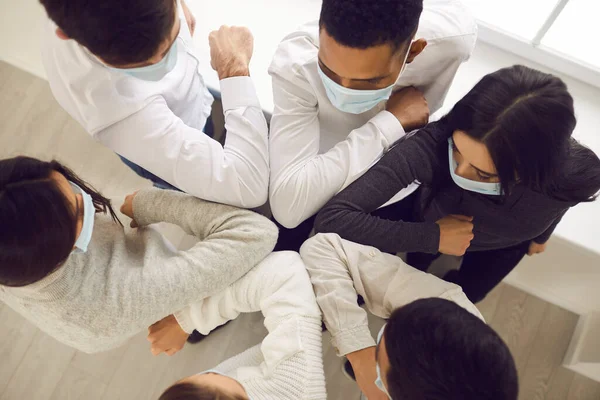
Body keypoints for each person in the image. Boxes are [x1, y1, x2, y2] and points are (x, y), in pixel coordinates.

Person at [314, 65, 600, 303]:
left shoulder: (580, 174)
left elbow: (565, 200)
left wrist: (543, 235)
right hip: (435, 223)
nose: (459, 172)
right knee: (415, 268)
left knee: (467, 296)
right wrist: (432, 238)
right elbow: (334, 218)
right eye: (456, 149)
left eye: (483, 174)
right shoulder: (429, 147)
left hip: (505, 246)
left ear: (532, 170)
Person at [0, 156, 278, 353]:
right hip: (115, 309)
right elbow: (256, 232)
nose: (86, 198)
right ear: (62, 247)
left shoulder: (16, 253)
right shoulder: (117, 300)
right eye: (79, 210)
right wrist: (152, 203)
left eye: (71, 185)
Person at [268, 0, 477, 250]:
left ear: (413, 52)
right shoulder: (297, 61)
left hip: (389, 182)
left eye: (368, 81)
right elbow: (289, 209)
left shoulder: (451, 44)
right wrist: (389, 123)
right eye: (328, 70)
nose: (342, 90)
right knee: (281, 244)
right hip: (314, 165)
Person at [39, 0, 269, 208]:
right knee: (199, 186)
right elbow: (248, 188)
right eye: (141, 65)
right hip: (164, 132)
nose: (165, 66)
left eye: (168, 46)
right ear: (64, 33)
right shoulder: (120, 116)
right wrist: (233, 69)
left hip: (191, 95)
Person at [300, 233, 518, 400]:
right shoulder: (444, 305)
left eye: (378, 361)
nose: (373, 356)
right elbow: (324, 248)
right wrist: (358, 353)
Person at [156, 252, 326, 400]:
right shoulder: (297, 388)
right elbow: (284, 272)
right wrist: (189, 319)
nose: (206, 373)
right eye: (210, 373)